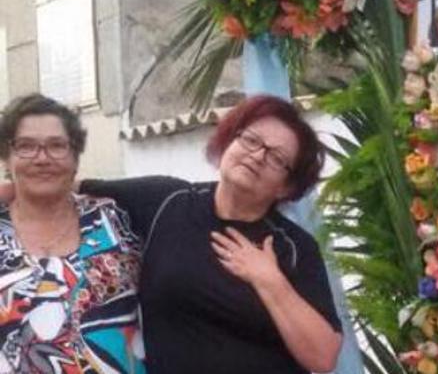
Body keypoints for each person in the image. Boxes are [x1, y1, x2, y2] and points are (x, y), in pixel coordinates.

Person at [77, 95, 342, 373]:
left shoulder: (294, 247)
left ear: (286, 187)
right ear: (230, 140)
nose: (257, 156)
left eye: (277, 158)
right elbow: (70, 189)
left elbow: (323, 359)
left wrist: (270, 280)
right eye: (251, 140)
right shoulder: (166, 201)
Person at [0, 94, 145, 373]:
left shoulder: (115, 221)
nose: (42, 158)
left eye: (57, 146)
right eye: (26, 146)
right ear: (8, 158)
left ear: (75, 157)